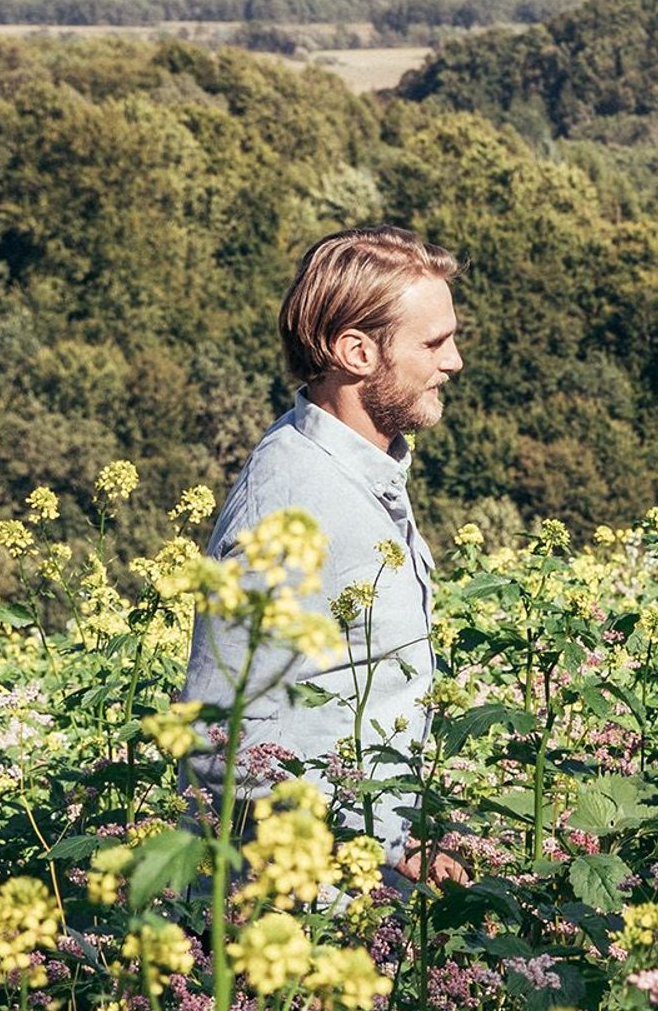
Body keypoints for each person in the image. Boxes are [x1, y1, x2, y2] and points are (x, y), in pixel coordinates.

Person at [187, 225, 463, 847]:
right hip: (301, 914)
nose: (453, 362)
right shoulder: (289, 508)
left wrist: (403, 840)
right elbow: (215, 740)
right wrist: (334, 867)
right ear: (357, 352)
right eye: (434, 342)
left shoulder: (363, 471)